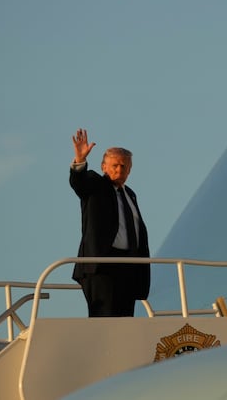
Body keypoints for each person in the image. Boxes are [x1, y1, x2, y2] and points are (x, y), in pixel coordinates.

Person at [69, 128, 150, 317]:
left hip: (128, 266)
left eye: (124, 166)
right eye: (114, 165)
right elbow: (79, 183)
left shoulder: (130, 194)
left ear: (130, 169)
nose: (119, 170)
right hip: (102, 266)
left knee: (125, 323)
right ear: (104, 167)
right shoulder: (96, 184)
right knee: (105, 319)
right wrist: (80, 161)